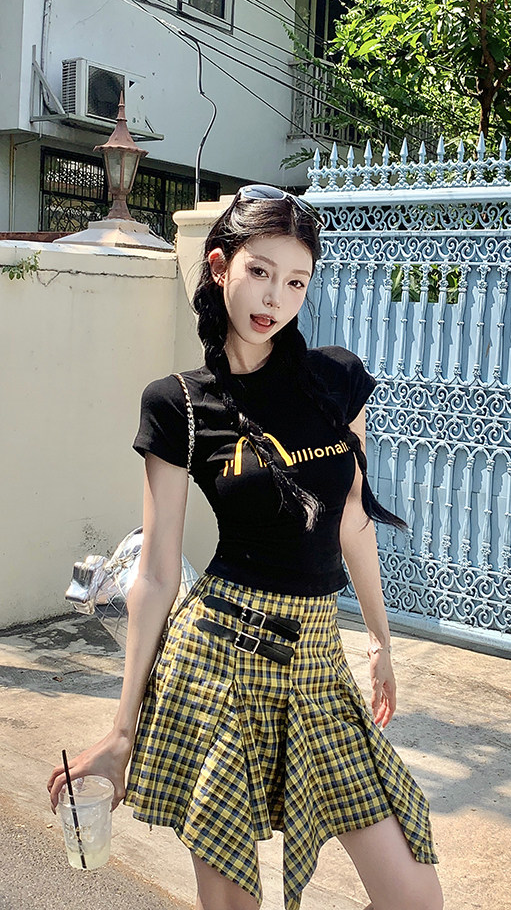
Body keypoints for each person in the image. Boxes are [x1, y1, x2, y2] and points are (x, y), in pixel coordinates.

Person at [48, 185, 442, 910]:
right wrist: (121, 730)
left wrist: (381, 640)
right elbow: (157, 572)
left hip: (319, 664)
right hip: (217, 664)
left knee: (414, 896)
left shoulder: (335, 382)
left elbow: (351, 518)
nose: (275, 298)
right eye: (260, 272)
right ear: (220, 266)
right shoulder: (178, 404)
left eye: (296, 282)